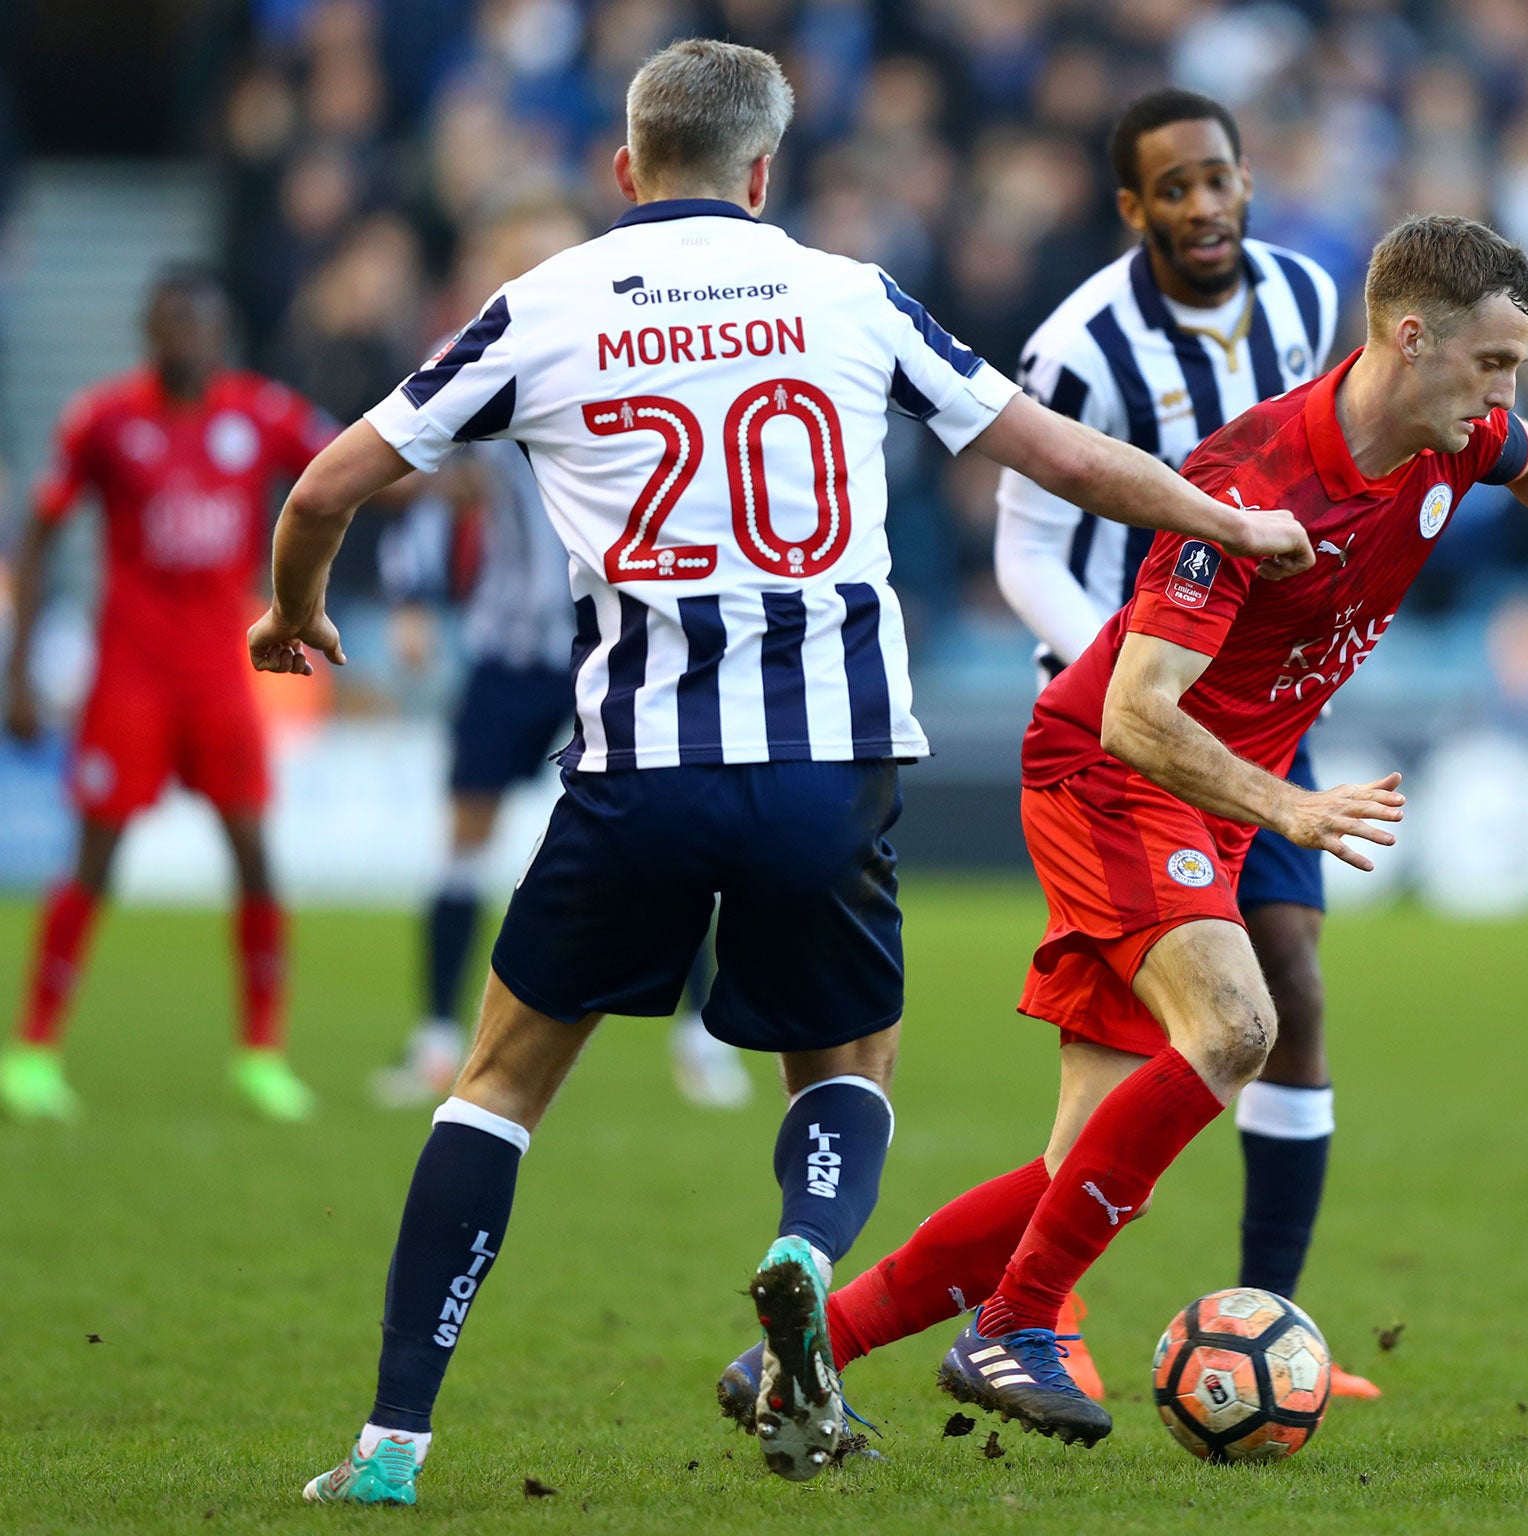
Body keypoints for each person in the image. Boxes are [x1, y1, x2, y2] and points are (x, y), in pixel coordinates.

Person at [253, 39, 1311, 1503]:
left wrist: (298, 606)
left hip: (636, 774)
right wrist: (1230, 520)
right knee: (847, 1068)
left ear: (625, 170)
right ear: (766, 173)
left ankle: (389, 1450)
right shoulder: (846, 292)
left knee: (493, 1087)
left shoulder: (545, 301)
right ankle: (806, 1256)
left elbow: (324, 486)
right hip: (829, 770)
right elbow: (1060, 457)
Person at [721, 214, 1528, 1448]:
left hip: (1199, 790)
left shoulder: (1448, 436)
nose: (1503, 394)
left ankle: (804, 1353)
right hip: (1113, 777)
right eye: (1490, 365)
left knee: (1078, 1176)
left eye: (1513, 368)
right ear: (1407, 339)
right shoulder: (1250, 482)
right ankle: (1013, 1325)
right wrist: (1289, 807)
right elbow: (1138, 715)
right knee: (1238, 1027)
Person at [991, 87, 1377, 1400]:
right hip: (1131, 724)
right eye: (1175, 188)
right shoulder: (1079, 346)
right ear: (1131, 209)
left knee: (1297, 997)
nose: (1204, 207)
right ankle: (1049, 1316)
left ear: (1247, 181)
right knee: (1114, 1037)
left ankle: (1275, 1325)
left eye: (1220, 179)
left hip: (1264, 705)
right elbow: (1025, 542)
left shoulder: (1305, 298)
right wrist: (1125, 668)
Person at [368, 200, 749, 1113]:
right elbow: (420, 487)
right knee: (465, 836)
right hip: (511, 647)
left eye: (551, 253)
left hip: (618, 645)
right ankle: (432, 1038)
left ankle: (703, 1037)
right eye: (520, 254)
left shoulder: (629, 348)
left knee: (672, 842)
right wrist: (414, 604)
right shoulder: (477, 360)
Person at [1, 268, 332, 1124]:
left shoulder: (257, 413)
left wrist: (440, 477)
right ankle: (33, 1050)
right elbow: (38, 538)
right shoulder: (104, 420)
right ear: (150, 331)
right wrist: (20, 671)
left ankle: (261, 1055)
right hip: (131, 674)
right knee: (95, 857)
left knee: (254, 853)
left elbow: (345, 467)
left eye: (201, 325)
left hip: (222, 672)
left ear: (221, 335)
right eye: (172, 324)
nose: (187, 338)